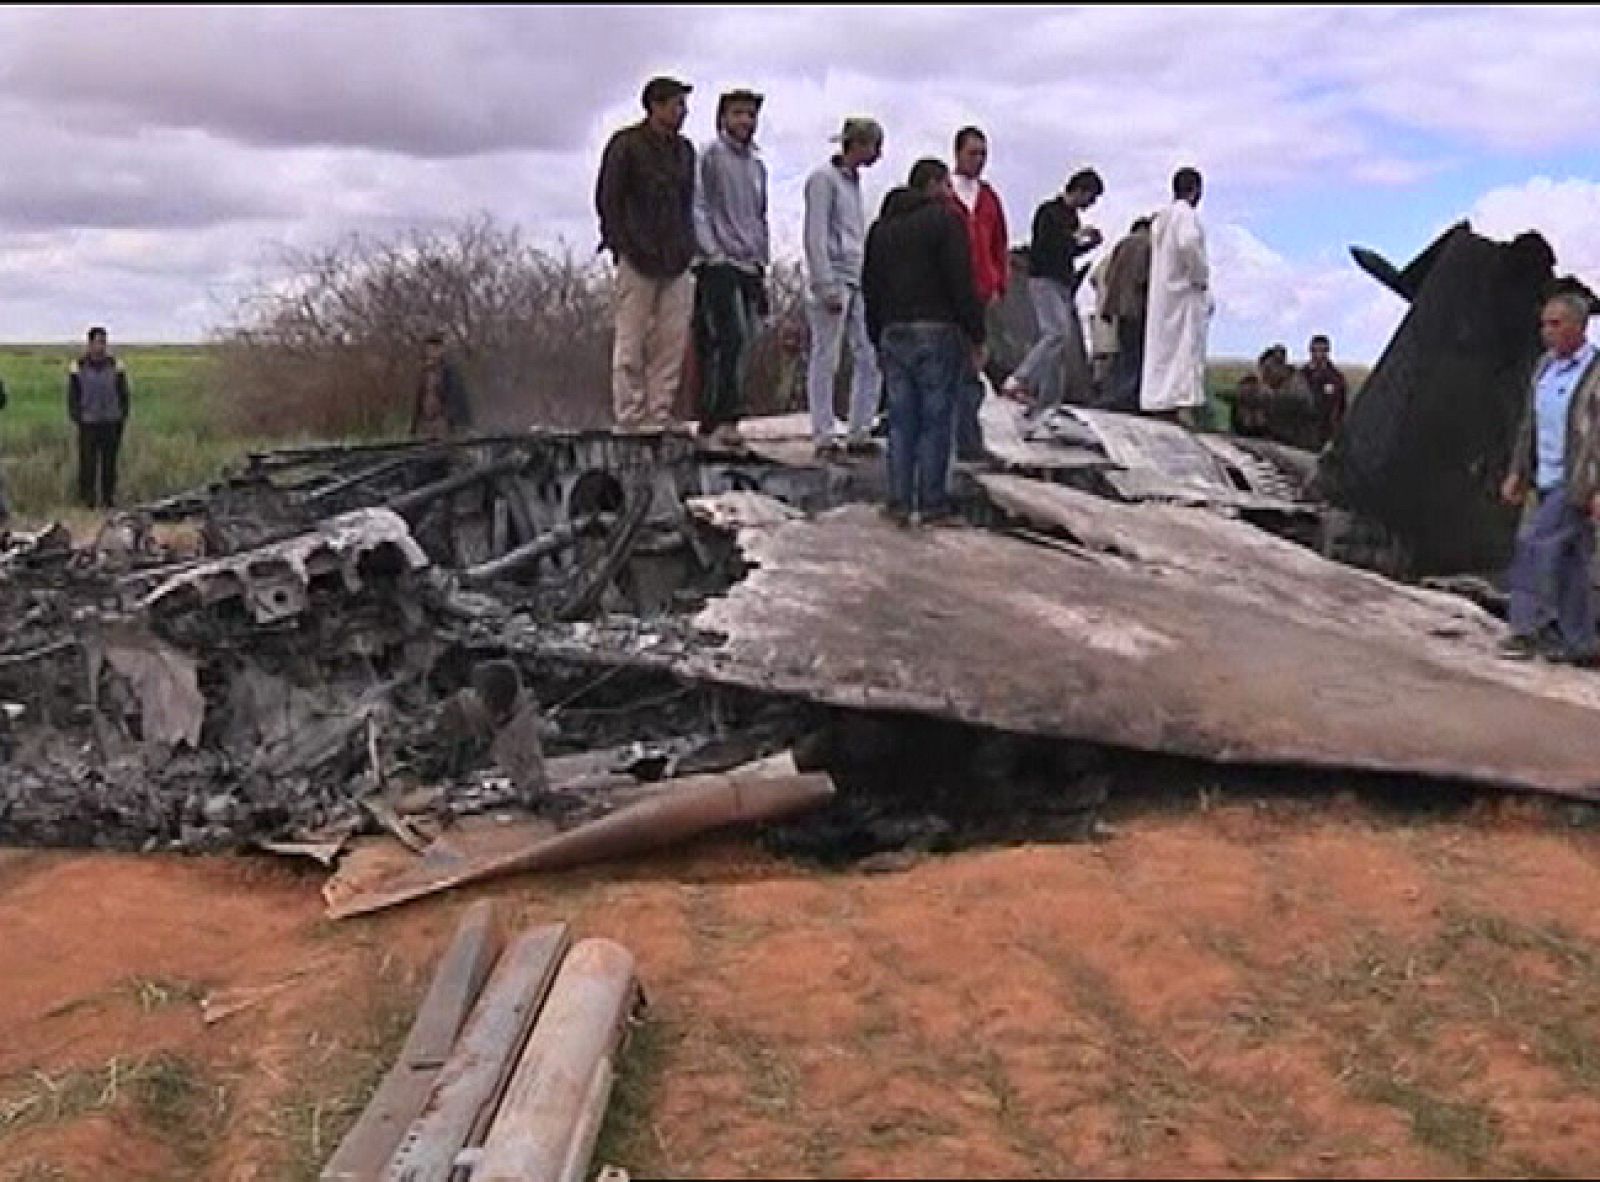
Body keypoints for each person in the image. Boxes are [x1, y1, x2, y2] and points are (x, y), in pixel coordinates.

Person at [862, 158, 985, 526]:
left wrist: (876, 335)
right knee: (936, 418)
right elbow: (960, 280)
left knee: (901, 419)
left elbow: (871, 286)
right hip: (937, 329)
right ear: (931, 185)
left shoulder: (880, 230)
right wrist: (975, 333)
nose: (950, 192)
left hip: (892, 333)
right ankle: (932, 504)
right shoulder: (945, 222)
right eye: (945, 184)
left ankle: (899, 500)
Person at [1499, 292, 1600, 664]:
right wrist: (1517, 471)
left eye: (1556, 324)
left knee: (1533, 545)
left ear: (1579, 326)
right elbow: (1531, 424)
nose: (1547, 332)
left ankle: (1527, 631)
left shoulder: (1595, 373)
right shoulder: (1545, 368)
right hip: (1545, 477)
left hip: (1576, 483)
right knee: (1573, 562)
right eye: (1544, 324)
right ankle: (1583, 643)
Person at [595, 75, 698, 431]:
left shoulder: (684, 150)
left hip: (677, 256)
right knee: (631, 339)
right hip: (637, 255)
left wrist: (689, 244)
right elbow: (608, 198)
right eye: (676, 104)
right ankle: (630, 414)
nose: (682, 112)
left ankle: (660, 411)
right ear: (655, 106)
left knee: (671, 340)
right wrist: (619, 242)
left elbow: (689, 202)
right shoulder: (625, 144)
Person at [691, 88, 770, 452]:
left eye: (751, 114)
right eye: (738, 113)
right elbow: (699, 205)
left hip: (749, 262)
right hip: (718, 261)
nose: (745, 121)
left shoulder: (757, 164)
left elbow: (759, 214)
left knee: (746, 341)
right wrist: (712, 251)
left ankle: (730, 418)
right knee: (726, 338)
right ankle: (714, 420)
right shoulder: (708, 155)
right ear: (723, 116)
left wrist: (761, 260)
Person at [804, 117, 884, 457]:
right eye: (873, 146)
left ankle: (859, 429)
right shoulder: (823, 179)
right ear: (858, 144)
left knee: (869, 354)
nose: (877, 154)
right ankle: (823, 431)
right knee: (827, 355)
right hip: (833, 276)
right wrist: (824, 283)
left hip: (858, 276)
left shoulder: (853, 184)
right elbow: (815, 233)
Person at [1002, 169, 1104, 411]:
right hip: (1043, 280)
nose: (1091, 204)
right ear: (1080, 190)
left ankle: (1048, 400)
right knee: (1055, 333)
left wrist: (1086, 246)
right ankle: (1019, 379)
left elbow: (1067, 251)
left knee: (1059, 342)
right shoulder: (1048, 212)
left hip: (1062, 281)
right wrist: (1075, 237)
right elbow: (1046, 247)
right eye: (1091, 197)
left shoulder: (1072, 218)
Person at [948, 126, 1009, 460]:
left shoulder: (988, 197)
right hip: (949, 293)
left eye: (984, 154)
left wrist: (999, 282)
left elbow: (999, 242)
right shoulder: (945, 193)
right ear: (958, 153)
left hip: (981, 291)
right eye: (973, 153)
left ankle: (969, 440)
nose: (979, 160)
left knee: (973, 367)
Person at [1141, 167, 1211, 421]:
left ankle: (1161, 402)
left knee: (1163, 351)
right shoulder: (1185, 215)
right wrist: (1200, 276)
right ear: (1195, 190)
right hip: (1183, 294)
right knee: (1183, 350)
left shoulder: (1162, 219)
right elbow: (1188, 244)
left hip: (1164, 293)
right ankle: (1181, 403)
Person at [67, 326, 131, 509]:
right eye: (97, 342)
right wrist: (77, 417)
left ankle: (108, 499)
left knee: (109, 464)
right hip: (88, 423)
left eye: (103, 342)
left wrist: (122, 416)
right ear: (89, 344)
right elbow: (73, 396)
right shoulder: (77, 367)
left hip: (111, 422)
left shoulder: (116, 366)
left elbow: (124, 394)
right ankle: (88, 501)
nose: (100, 346)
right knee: (87, 464)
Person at [1099, 216, 1153, 412]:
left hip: (1118, 308)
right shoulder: (1148, 246)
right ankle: (1124, 398)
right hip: (1137, 307)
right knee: (1134, 356)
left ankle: (1112, 394)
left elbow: (1108, 276)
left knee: (1123, 353)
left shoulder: (1122, 244)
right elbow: (1143, 276)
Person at [410, 333, 473, 440]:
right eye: (429, 349)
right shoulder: (425, 372)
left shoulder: (449, 370)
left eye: (435, 348)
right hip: (427, 421)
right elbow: (419, 399)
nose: (432, 352)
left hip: (442, 420)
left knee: (444, 450)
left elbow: (455, 396)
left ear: (441, 350)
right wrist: (414, 425)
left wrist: (452, 419)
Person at [1301, 333, 1349, 447]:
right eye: (1315, 351)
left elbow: (1341, 408)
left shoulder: (1336, 378)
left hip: (1326, 434)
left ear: (1328, 352)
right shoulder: (1301, 376)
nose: (1318, 355)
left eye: (1322, 351)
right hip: (1302, 433)